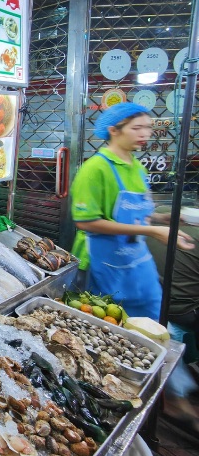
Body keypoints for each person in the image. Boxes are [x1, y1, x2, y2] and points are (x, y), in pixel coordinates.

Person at [70, 102, 194, 320]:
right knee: (106, 322)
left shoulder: (137, 167)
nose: (145, 133)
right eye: (136, 128)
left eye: (148, 127)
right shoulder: (95, 169)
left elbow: (135, 210)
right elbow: (86, 222)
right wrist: (153, 231)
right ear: (114, 130)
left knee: (150, 318)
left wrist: (160, 218)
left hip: (136, 260)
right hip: (101, 261)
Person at [146, 206, 199, 431]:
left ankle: (180, 396)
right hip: (178, 309)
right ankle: (178, 402)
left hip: (157, 298)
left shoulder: (158, 215)